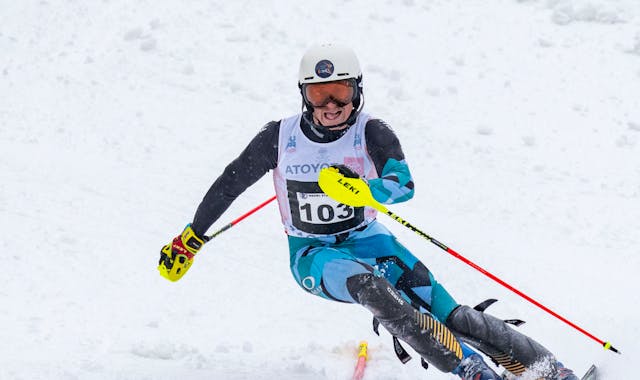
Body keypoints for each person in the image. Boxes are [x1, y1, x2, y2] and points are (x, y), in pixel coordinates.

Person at [159, 43, 579, 380]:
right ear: (303, 95)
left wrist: (362, 191)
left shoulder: (371, 131)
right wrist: (192, 236)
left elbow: (403, 185)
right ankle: (474, 373)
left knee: (453, 315)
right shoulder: (280, 137)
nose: (330, 104)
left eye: (340, 92)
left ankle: (550, 371)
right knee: (373, 290)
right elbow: (231, 181)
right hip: (313, 254)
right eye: (318, 94)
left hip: (370, 240)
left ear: (357, 90)